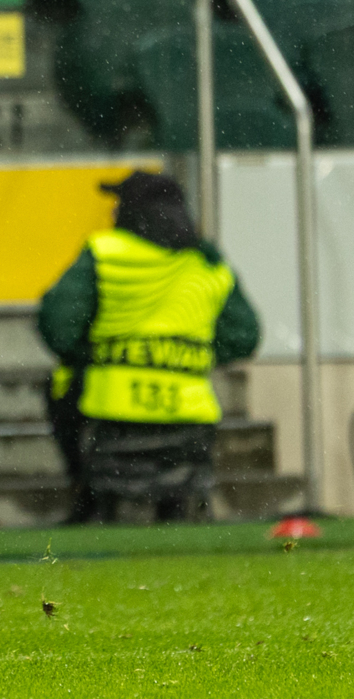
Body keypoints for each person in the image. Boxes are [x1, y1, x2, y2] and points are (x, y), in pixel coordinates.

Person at [37, 171, 261, 522]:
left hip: (110, 414)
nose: (112, 213)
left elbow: (57, 325)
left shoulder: (105, 251)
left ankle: (87, 499)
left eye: (119, 204)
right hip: (190, 418)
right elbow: (245, 336)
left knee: (61, 382)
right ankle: (173, 507)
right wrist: (193, 355)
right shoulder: (209, 263)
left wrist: (93, 355)